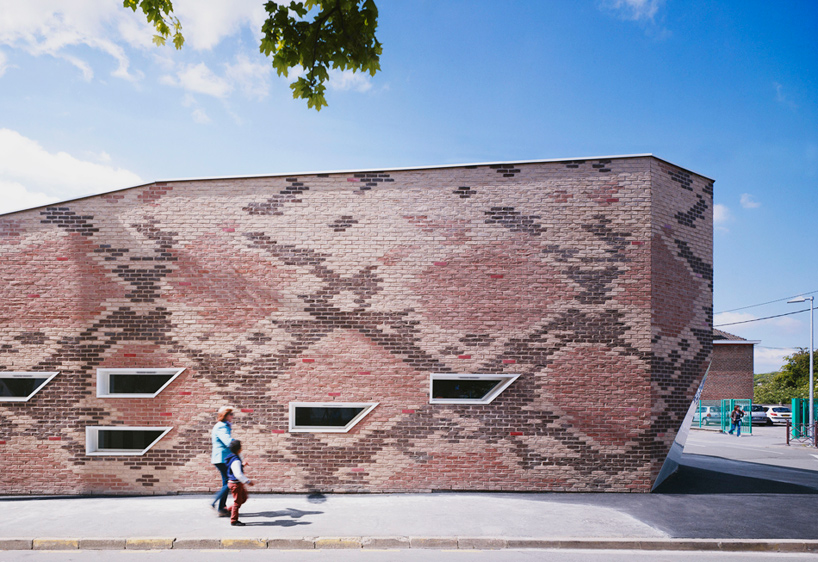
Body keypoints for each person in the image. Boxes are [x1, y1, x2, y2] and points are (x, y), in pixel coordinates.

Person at [210, 406, 234, 516]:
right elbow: (228, 442)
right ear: (225, 415)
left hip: (221, 458)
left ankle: (221, 508)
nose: (233, 416)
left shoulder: (223, 426)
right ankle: (215, 503)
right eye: (231, 414)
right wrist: (236, 444)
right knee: (229, 482)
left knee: (227, 482)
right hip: (222, 458)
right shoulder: (221, 427)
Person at [225, 439, 254, 526]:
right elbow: (238, 474)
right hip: (235, 484)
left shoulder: (233, 458)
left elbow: (235, 468)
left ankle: (229, 509)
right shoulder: (236, 460)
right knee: (237, 502)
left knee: (243, 498)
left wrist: (242, 465)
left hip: (237, 483)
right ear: (239, 449)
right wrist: (247, 481)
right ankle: (234, 520)